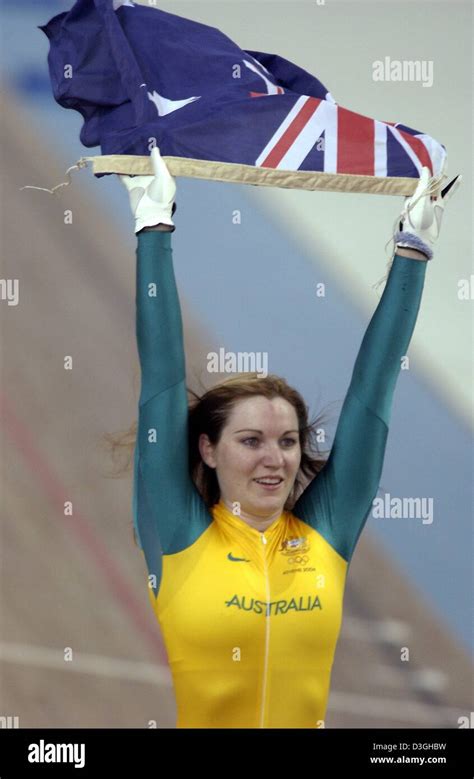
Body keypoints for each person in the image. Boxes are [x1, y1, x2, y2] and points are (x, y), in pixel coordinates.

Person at [119, 150, 460, 729]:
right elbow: (162, 380)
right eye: (251, 441)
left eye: (288, 441)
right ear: (207, 449)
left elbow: (372, 396)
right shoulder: (176, 531)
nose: (275, 458)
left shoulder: (325, 533)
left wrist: (413, 252)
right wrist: (154, 226)